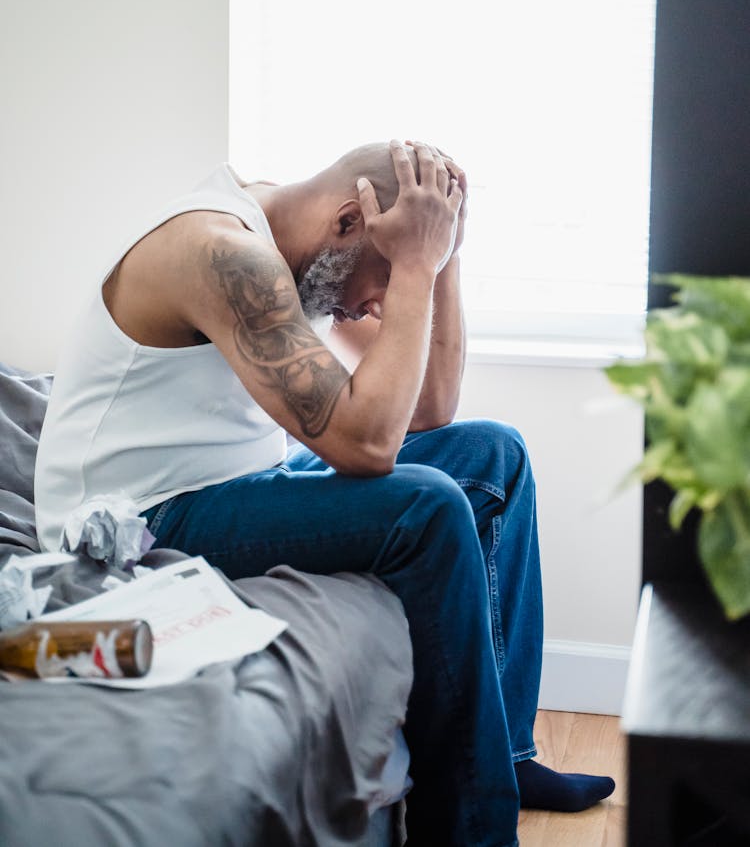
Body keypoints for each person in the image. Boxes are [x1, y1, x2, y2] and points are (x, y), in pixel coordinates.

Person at [35, 140, 614, 847]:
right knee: (427, 506)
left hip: (239, 479)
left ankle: (511, 756)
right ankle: (471, 829)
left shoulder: (310, 246)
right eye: (383, 273)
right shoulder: (223, 253)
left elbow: (429, 408)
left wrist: (442, 253)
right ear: (348, 221)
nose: (376, 303)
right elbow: (367, 443)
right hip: (139, 516)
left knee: (496, 454)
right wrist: (415, 263)